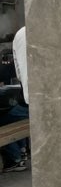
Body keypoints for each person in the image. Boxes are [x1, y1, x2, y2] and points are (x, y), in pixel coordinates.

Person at [0, 26, 28, 173]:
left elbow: (14, 72)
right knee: (12, 116)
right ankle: (22, 151)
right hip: (27, 103)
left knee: (5, 121)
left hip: (26, 104)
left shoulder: (21, 36)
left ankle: (15, 159)